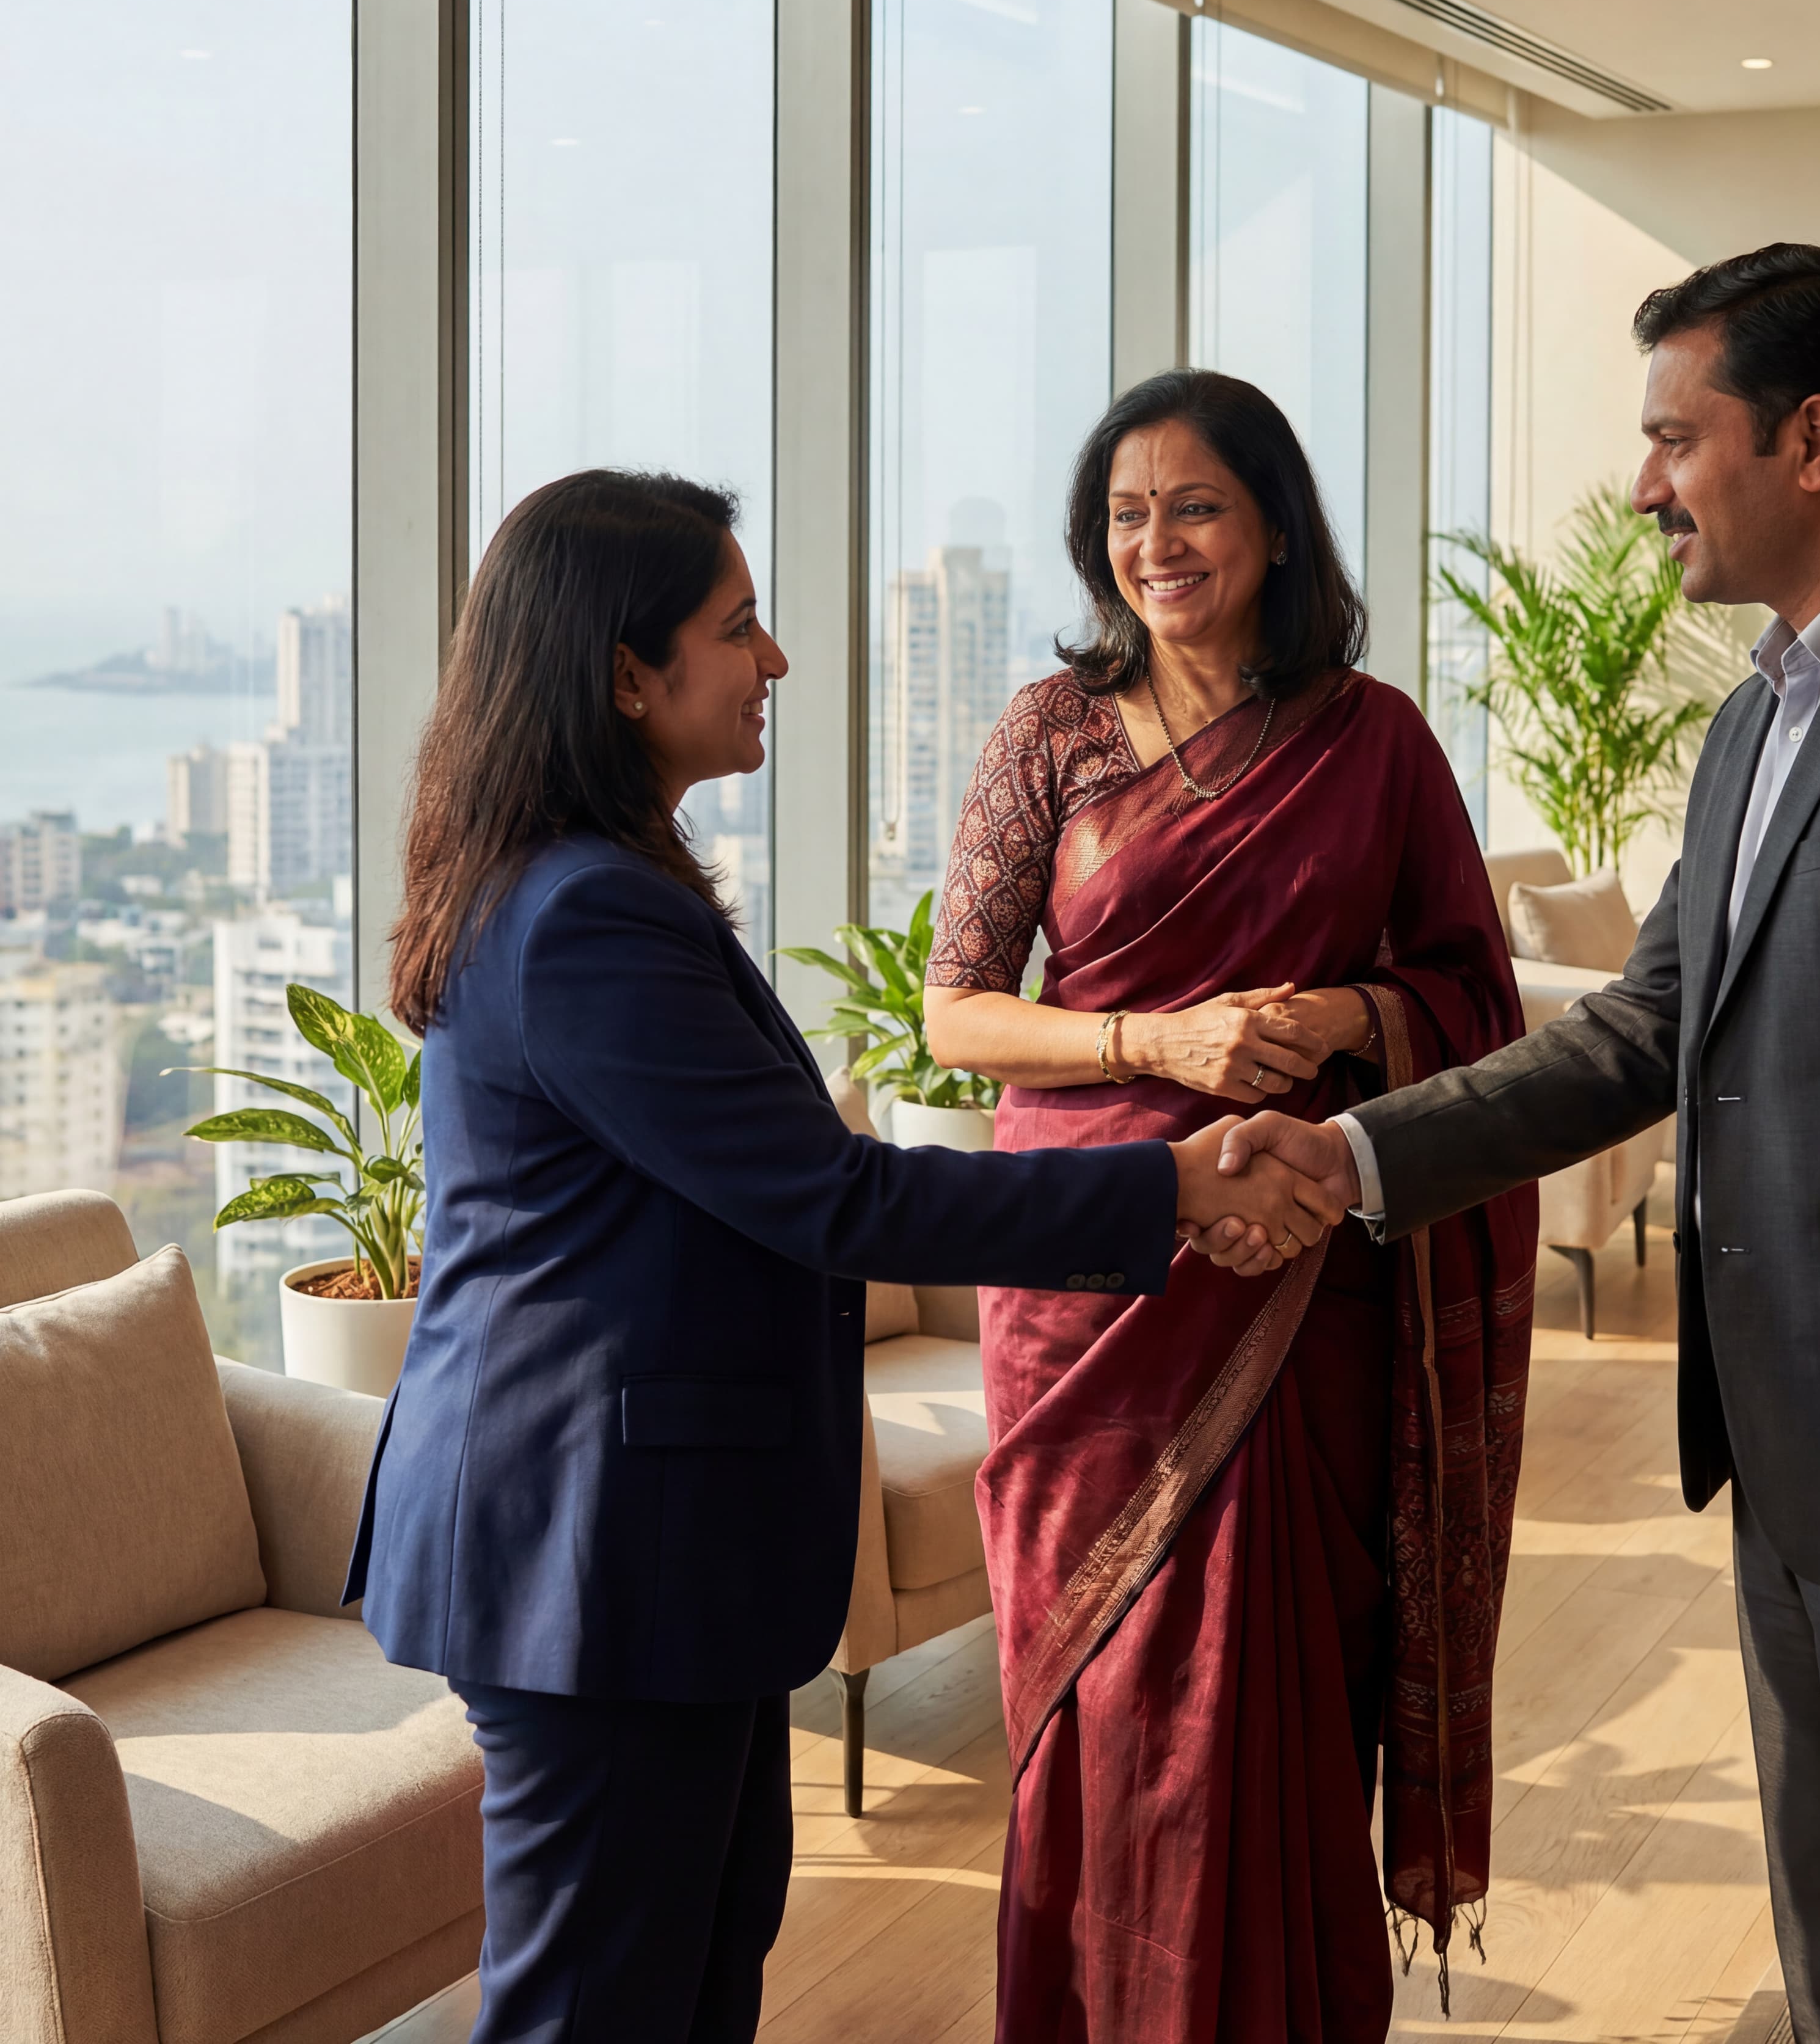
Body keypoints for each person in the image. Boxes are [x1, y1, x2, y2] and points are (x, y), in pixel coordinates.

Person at [1220, 246, 1820, 2044]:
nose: (1639, 482)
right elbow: (1642, 1029)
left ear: (1810, 437)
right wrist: (1348, 1153)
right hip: (1794, 1447)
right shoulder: (1757, 708)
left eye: (1675, 435)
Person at [348, 470, 1335, 2044]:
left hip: (650, 1547)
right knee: (599, 2006)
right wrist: (1167, 1187)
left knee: (692, 1962)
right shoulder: (583, 913)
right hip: (591, 1557)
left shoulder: (594, 878)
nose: (777, 660)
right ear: (624, 671)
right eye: (737, 627)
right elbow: (833, 1197)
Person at [921, 370, 1538, 2042]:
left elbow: (1472, 999)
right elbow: (959, 1013)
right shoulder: (1047, 734)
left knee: (1282, 1692)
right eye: (1126, 514)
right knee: (1107, 1698)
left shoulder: (1374, 738)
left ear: (1273, 524)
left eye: (1193, 506)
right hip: (1094, 1275)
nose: (1158, 542)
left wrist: (1336, 1024)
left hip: (1305, 1262)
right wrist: (1159, 1037)